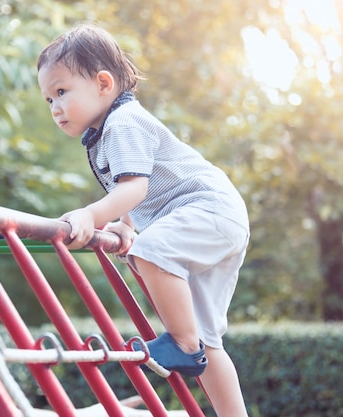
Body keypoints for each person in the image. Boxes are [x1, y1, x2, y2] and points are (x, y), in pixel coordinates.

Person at [37, 24, 250, 417]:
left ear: (103, 83)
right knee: (209, 340)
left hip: (209, 210)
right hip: (219, 218)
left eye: (62, 91)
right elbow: (138, 186)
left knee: (150, 251)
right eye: (49, 98)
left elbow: (133, 188)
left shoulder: (123, 122)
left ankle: (183, 344)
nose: (55, 107)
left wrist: (91, 214)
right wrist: (127, 225)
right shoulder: (108, 130)